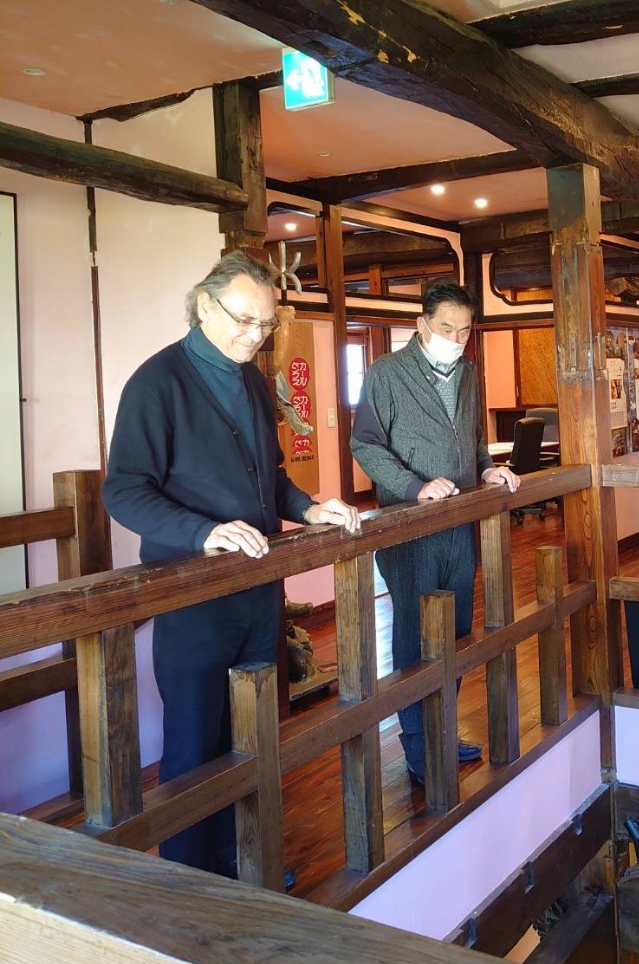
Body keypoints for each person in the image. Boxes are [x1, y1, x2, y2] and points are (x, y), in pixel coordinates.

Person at [103, 250, 360, 875]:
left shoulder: (252, 380)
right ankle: (193, 883)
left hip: (258, 589)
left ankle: (249, 861)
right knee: (196, 745)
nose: (255, 335)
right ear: (203, 305)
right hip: (192, 595)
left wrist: (309, 508)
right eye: (244, 320)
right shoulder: (157, 382)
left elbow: (270, 476)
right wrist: (204, 532)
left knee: (255, 735)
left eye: (265, 324)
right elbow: (125, 491)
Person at [350, 281, 519, 786]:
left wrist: (487, 468)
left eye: (465, 330)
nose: (456, 338)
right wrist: (413, 486)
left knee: (457, 632)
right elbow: (366, 444)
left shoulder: (467, 372)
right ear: (422, 325)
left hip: (460, 524)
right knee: (414, 637)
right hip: (411, 528)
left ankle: (441, 730)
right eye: (447, 328)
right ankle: (418, 746)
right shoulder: (387, 373)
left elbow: (473, 437)